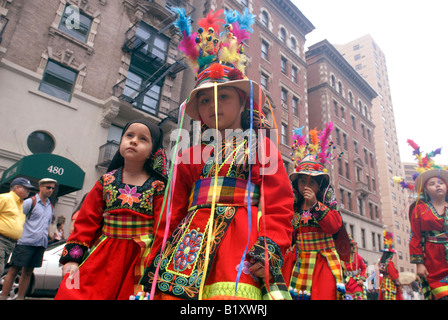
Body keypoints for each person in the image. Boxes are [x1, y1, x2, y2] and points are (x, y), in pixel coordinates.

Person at [140, 8, 294, 300]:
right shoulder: (190, 155)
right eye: (205, 100)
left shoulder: (261, 148)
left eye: (223, 96)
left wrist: (269, 245)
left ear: (242, 101)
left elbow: (279, 205)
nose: (214, 105)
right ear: (197, 110)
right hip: (186, 247)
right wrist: (158, 252)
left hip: (242, 244)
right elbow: (173, 210)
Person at [54, 119, 168, 300]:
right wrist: (72, 259)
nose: (133, 141)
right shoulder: (106, 181)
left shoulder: (158, 186)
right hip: (104, 255)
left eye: (143, 139)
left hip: (141, 257)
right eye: (129, 135)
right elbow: (86, 220)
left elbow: (163, 229)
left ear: (153, 152)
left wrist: (156, 264)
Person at [283, 123, 347, 300]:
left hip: (323, 262)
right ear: (297, 184)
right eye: (303, 181)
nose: (306, 185)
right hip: (299, 261)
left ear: (320, 186)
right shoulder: (294, 208)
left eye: (312, 182)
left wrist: (314, 205)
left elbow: (334, 226)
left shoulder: (327, 205)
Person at [395, 140, 448, 299]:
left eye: (440, 183)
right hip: (433, 258)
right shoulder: (419, 209)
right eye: (432, 184)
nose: (437, 185)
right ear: (425, 189)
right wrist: (419, 263)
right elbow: (415, 237)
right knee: (441, 294)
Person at [1, 178, 56, 300]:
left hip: (40, 243)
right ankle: (4, 297)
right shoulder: (30, 202)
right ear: (40, 187)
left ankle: (20, 298)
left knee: (28, 272)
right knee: (14, 270)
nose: (50, 190)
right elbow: (19, 219)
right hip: (25, 242)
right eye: (48, 187)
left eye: (52, 188)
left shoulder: (50, 207)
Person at [0, 177, 35, 279]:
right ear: (16, 187)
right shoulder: (5, 198)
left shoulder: (20, 204)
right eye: (26, 188)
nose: (29, 191)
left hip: (10, 243)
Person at [378, 230, 402, 300]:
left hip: (384, 282)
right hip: (390, 283)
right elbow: (393, 275)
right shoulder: (389, 263)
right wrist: (398, 283)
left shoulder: (382, 262)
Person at [343, 235, 367, 300]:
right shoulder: (341, 258)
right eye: (347, 245)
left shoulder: (358, 257)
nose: (349, 247)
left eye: (351, 245)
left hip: (356, 283)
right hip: (346, 283)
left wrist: (361, 279)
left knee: (358, 297)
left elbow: (364, 268)